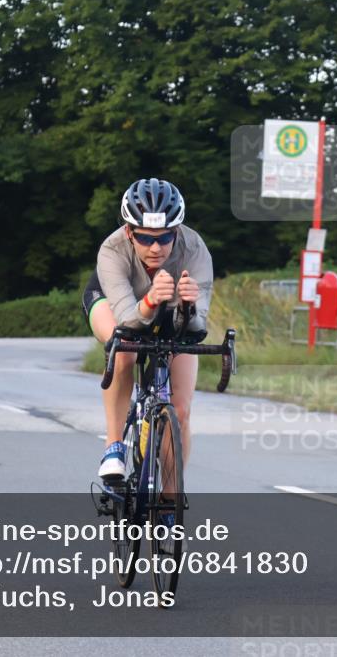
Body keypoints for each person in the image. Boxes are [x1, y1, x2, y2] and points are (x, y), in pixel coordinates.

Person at [82, 178, 212, 486]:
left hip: (169, 310)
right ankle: (113, 445)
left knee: (180, 410)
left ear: (176, 231)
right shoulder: (112, 249)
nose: (155, 247)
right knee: (123, 345)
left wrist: (189, 308)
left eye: (166, 237)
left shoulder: (194, 249)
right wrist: (151, 299)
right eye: (144, 237)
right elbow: (128, 319)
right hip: (116, 302)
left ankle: (170, 499)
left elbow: (196, 329)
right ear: (129, 231)